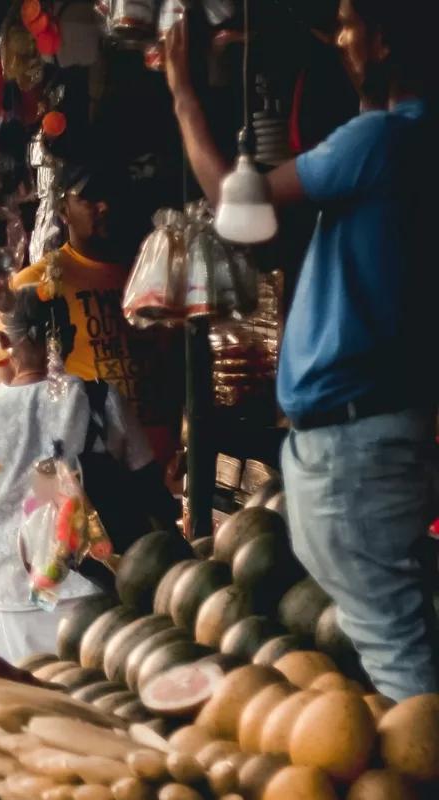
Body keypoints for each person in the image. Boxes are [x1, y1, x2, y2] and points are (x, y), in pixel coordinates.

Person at [167, 1, 439, 700]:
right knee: (387, 636)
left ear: (380, 39)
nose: (339, 38)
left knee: (395, 651)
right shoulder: (398, 145)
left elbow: (238, 207)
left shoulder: (380, 140)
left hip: (355, 446)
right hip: (370, 435)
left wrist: (184, 92)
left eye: (349, 22)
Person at [0, 289, 152, 663]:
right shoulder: (101, 401)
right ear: (70, 338)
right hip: (94, 594)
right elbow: (147, 485)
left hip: (13, 600)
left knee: (26, 713)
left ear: (3, 342)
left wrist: (10, 543)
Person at [6, 163, 182, 458]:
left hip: (159, 457)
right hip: (88, 461)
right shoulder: (35, 283)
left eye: (110, 194)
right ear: (63, 210)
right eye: (89, 197)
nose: (104, 205)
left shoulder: (147, 272)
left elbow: (172, 362)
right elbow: (14, 382)